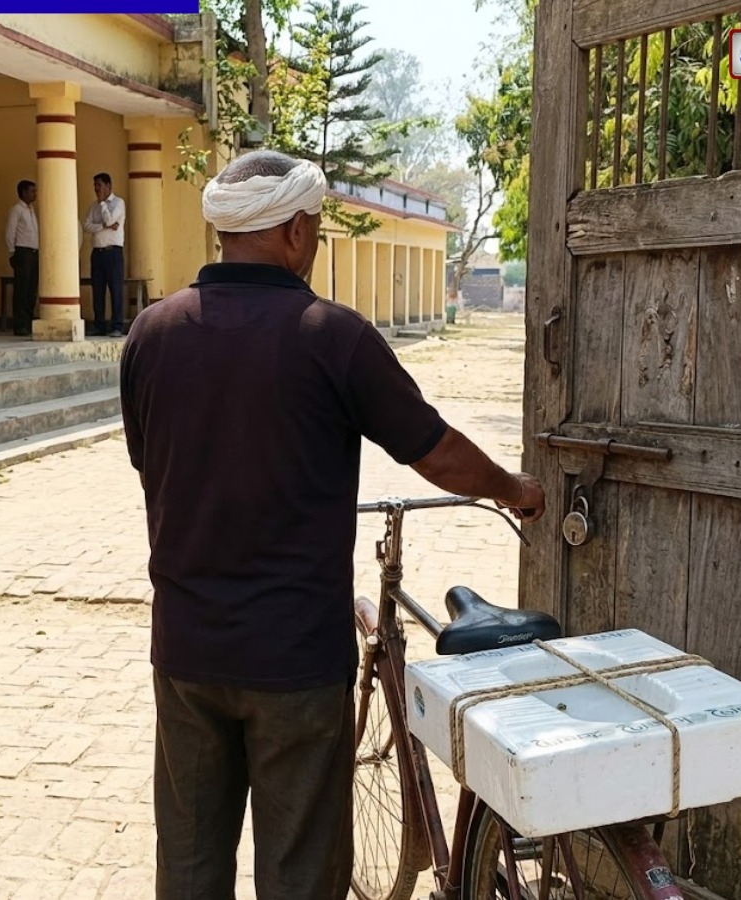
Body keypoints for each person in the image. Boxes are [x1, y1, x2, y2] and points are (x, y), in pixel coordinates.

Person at [118, 150, 546, 900]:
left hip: (187, 651)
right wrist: (514, 490)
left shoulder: (151, 334)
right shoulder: (330, 334)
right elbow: (437, 453)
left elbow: (148, 461)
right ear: (293, 231)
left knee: (187, 863)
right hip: (295, 659)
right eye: (313, 227)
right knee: (303, 871)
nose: (313, 241)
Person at [82, 172, 126, 337]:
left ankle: (117, 326)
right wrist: (103, 226)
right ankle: (99, 325)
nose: (96, 189)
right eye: (95, 186)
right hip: (97, 252)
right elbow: (86, 225)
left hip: (113, 252)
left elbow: (110, 220)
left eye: (99, 185)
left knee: (115, 289)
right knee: (98, 289)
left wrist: (102, 205)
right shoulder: (92, 206)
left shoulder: (118, 203)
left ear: (108, 186)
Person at [4, 180, 38, 337]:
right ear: (24, 192)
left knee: (31, 289)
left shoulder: (31, 210)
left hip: (33, 252)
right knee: (21, 290)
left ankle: (28, 322)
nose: (35, 194)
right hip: (22, 252)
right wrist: (12, 252)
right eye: (32, 191)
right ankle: (20, 324)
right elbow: (10, 232)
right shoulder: (16, 210)